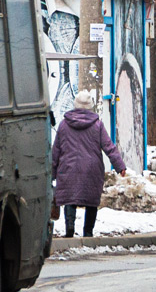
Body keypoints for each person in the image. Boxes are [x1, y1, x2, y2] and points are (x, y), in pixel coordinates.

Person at [51, 90, 127, 237]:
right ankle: (88, 232)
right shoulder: (97, 125)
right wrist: (120, 166)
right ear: (90, 106)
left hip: (68, 168)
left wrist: (52, 172)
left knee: (69, 198)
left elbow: (56, 151)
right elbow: (109, 147)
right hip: (91, 169)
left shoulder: (64, 125)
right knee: (91, 201)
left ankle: (70, 229)